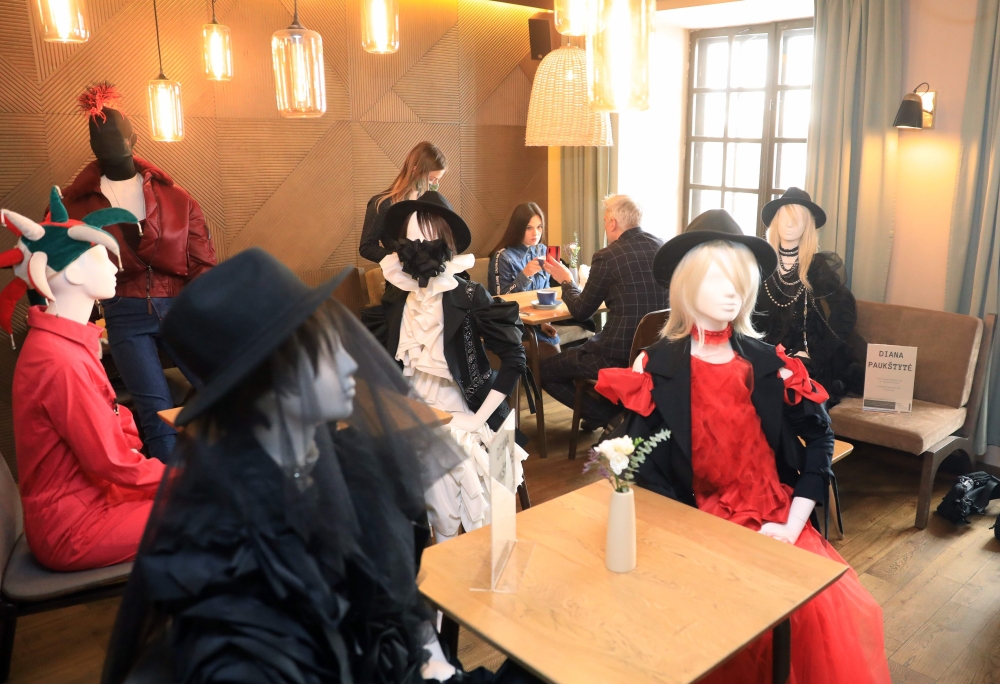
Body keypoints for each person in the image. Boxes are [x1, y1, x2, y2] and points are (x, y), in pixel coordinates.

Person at [100, 249, 541, 683]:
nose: (352, 362)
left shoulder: (345, 468)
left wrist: (431, 660)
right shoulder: (232, 570)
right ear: (280, 380)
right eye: (330, 350)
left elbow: (393, 619)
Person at [595, 209, 890, 684]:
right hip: (692, 526)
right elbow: (644, 467)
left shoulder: (770, 364)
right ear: (688, 285)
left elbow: (820, 437)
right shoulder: (658, 367)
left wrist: (795, 522)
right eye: (719, 279)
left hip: (773, 518)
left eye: (741, 281)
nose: (733, 292)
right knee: (696, 626)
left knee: (813, 613)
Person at [3, 188, 165, 572]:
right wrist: (181, 476)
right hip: (75, 526)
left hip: (95, 500)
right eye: (101, 257)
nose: (114, 267)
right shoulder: (59, 361)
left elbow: (114, 429)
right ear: (73, 270)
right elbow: (110, 462)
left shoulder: (64, 344)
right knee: (216, 509)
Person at [57, 82, 216, 461]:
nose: (106, 143)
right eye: (97, 137)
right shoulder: (74, 204)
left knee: (220, 388)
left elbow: (203, 262)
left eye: (114, 133)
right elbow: (63, 267)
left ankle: (243, 471)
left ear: (133, 137)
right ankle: (170, 497)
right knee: (155, 409)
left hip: (180, 307)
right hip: (124, 313)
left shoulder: (177, 197)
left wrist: (206, 315)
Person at [362, 191, 528, 543]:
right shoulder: (397, 295)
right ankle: (425, 568)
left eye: (425, 237)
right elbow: (378, 357)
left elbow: (515, 359)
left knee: (462, 483)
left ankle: (460, 562)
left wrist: (477, 419)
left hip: (463, 408)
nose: (417, 245)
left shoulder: (467, 295)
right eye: (410, 238)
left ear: (443, 241)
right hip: (409, 412)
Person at [540, 194, 667, 429]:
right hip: (655, 355)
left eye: (606, 220)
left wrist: (566, 281)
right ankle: (619, 414)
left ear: (612, 223)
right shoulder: (663, 248)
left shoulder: (608, 257)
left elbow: (580, 311)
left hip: (614, 356)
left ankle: (608, 416)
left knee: (543, 370)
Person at [754, 188, 864, 406]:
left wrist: (816, 352)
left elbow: (844, 313)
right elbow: (747, 314)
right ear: (775, 221)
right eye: (784, 217)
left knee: (786, 394)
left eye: (797, 219)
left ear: (808, 226)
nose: (789, 224)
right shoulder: (761, 265)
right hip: (764, 352)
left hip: (804, 355)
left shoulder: (816, 268)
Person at [359, 141, 448, 264]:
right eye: (431, 179)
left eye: (438, 180)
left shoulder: (428, 203)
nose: (434, 185)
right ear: (415, 170)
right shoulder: (382, 204)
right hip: (401, 276)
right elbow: (367, 247)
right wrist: (402, 258)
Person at [487, 203, 560, 350]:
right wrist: (525, 275)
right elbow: (500, 300)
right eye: (529, 228)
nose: (536, 233)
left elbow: (545, 290)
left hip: (536, 323)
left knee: (553, 341)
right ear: (518, 228)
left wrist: (545, 322)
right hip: (512, 326)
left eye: (539, 227)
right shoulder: (502, 257)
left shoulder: (542, 250)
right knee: (551, 349)